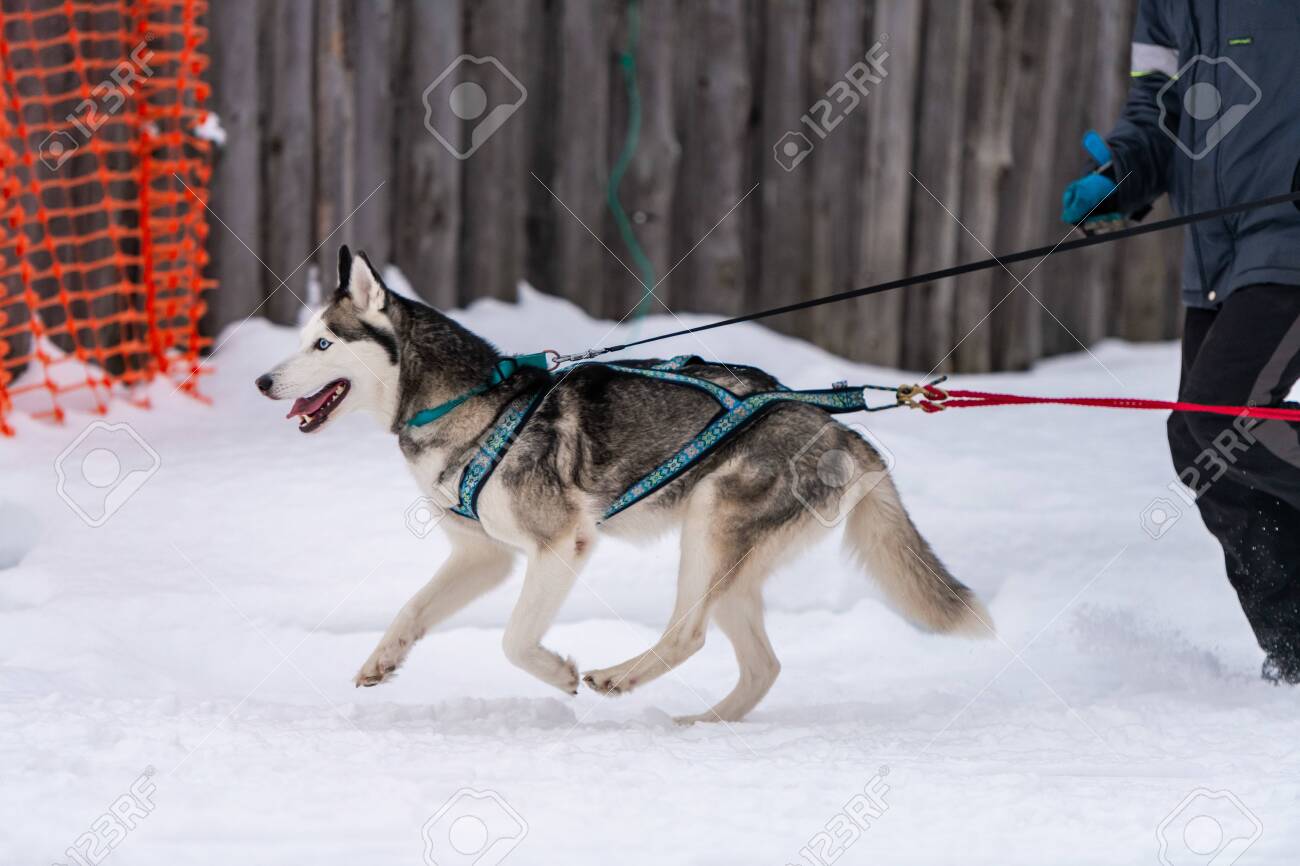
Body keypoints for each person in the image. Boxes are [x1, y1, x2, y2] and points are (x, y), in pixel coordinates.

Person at [1060, 0, 1300, 684]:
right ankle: (1297, 655)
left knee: (1223, 418)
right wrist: (1121, 176)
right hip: (1220, 250)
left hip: (1290, 236)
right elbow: (1159, 111)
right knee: (1202, 449)